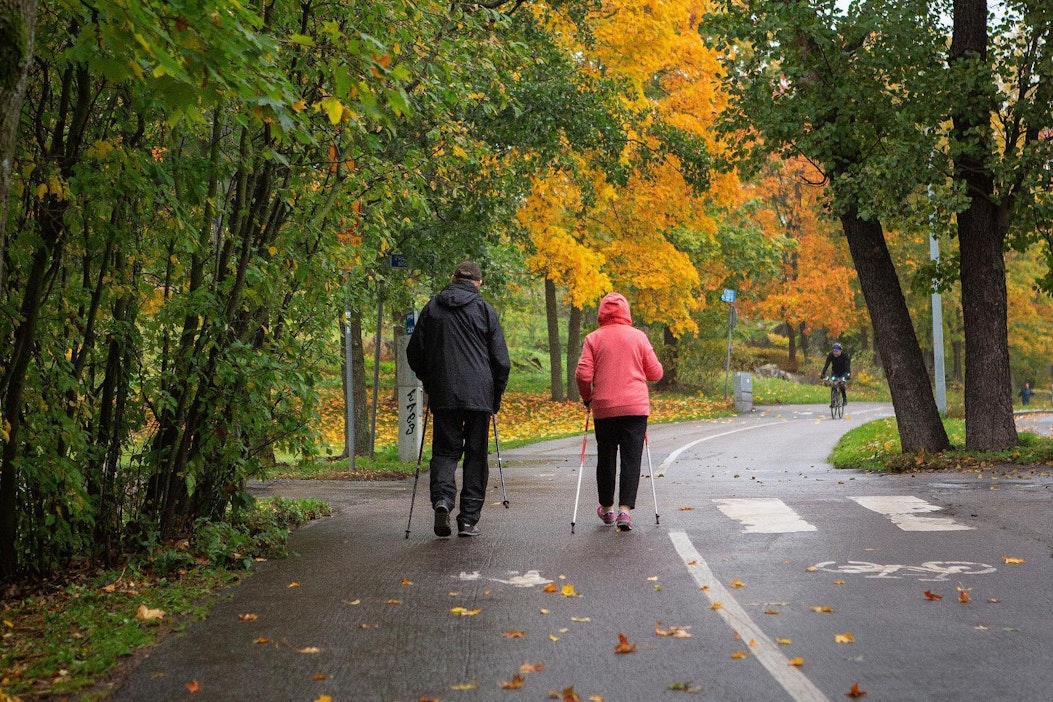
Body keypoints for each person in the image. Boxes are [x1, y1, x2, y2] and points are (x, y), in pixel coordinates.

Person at [407, 261, 510, 538]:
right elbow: (501, 361)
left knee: (444, 451)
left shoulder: (433, 308)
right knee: (476, 455)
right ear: (479, 283)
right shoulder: (485, 311)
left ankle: (442, 501)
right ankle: (468, 521)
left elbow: (414, 353)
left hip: (444, 394)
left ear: (452, 278)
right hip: (479, 395)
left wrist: (430, 380)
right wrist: (494, 397)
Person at [575, 292, 663, 532]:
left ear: (601, 312)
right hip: (635, 408)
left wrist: (587, 398)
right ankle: (625, 512)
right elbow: (656, 373)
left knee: (606, 456)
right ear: (627, 311)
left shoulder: (593, 338)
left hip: (604, 407)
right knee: (631, 458)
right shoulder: (639, 337)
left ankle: (607, 508)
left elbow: (583, 374)